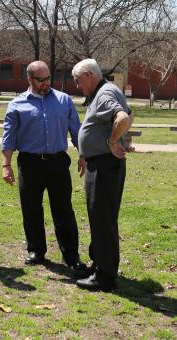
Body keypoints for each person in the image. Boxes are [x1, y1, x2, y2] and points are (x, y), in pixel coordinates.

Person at [1, 61, 88, 275]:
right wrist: (6, 165)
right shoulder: (16, 104)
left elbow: (76, 130)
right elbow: (8, 137)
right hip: (30, 163)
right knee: (31, 208)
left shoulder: (63, 100)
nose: (46, 83)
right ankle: (36, 251)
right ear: (30, 79)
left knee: (63, 210)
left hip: (58, 162)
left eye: (49, 78)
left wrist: (83, 154)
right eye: (41, 80)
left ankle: (71, 256)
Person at [73, 59, 134, 291]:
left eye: (79, 81)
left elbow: (123, 118)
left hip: (105, 166)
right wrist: (121, 139)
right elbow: (131, 115)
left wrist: (111, 141)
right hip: (99, 163)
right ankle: (99, 265)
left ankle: (105, 277)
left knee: (103, 220)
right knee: (99, 217)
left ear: (89, 75)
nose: (78, 86)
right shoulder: (106, 91)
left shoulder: (105, 93)